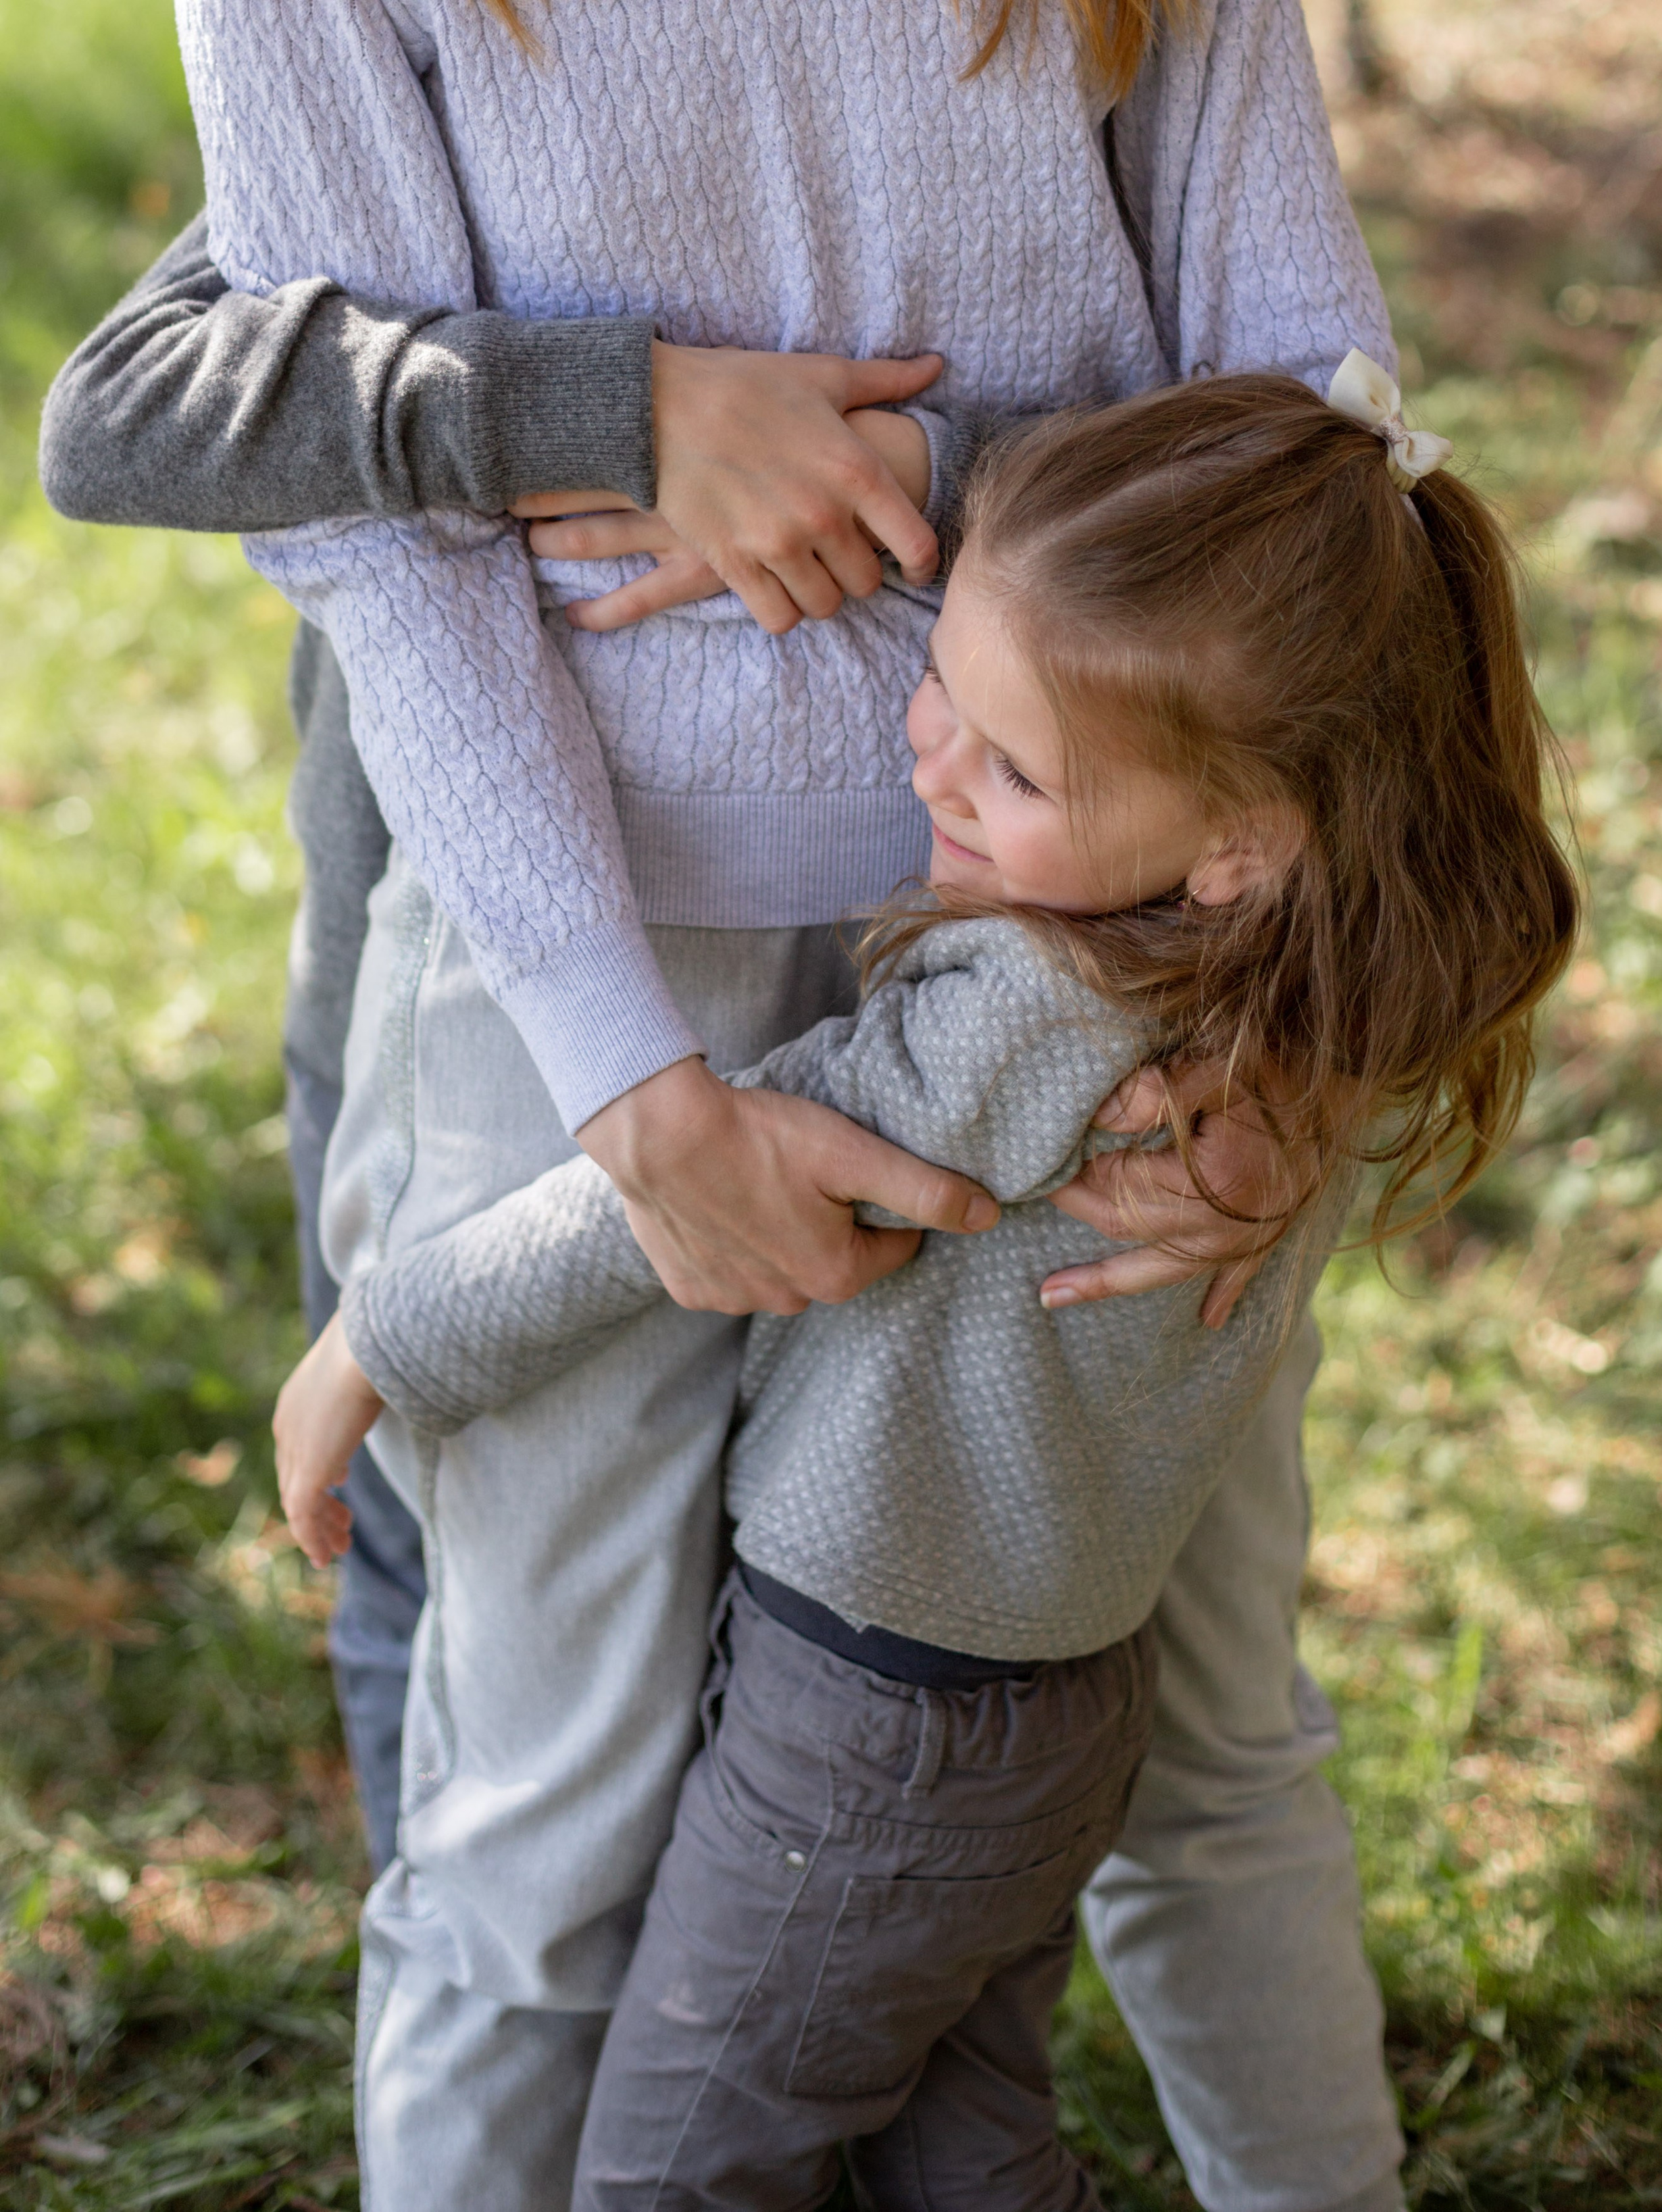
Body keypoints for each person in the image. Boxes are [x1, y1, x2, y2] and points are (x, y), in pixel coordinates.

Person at [41, 0, 1418, 2202]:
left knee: (1208, 1742)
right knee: (545, 1836)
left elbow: (1317, 421)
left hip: (1122, 927)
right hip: (575, 912)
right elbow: (366, 501)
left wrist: (1300, 1020)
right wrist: (631, 1082)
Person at [272, 371, 1579, 2203]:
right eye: (942, 688)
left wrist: (374, 1341)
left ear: (1236, 845)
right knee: (956, 2151)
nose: (929, 765)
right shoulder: (1277, 1026)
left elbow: (697, 1186)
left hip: (866, 1733)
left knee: (675, 2169)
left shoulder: (1031, 1017)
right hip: (1046, 1722)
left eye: (1013, 766)